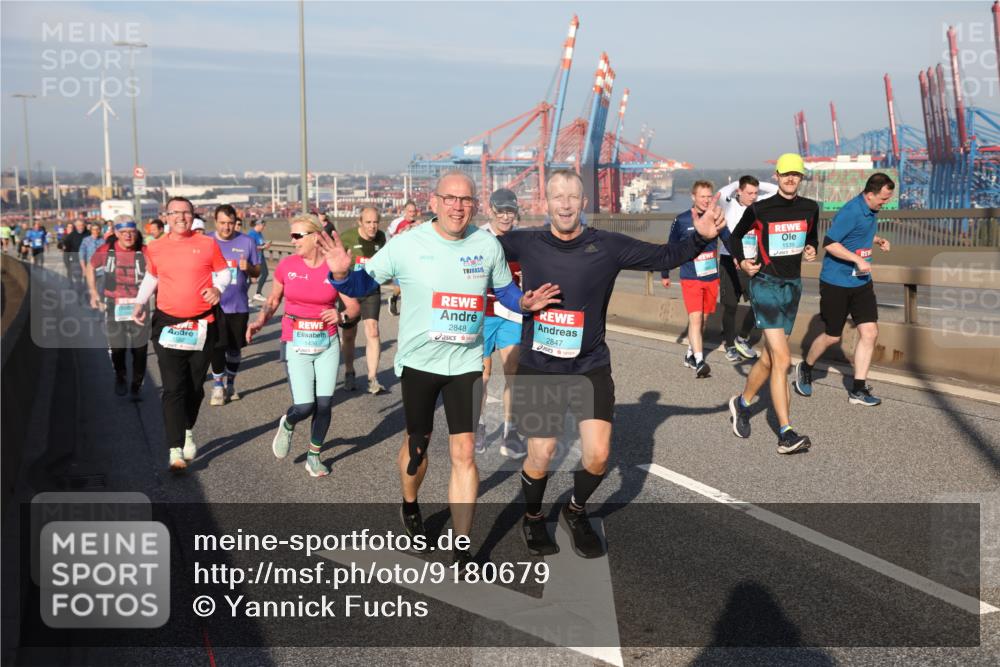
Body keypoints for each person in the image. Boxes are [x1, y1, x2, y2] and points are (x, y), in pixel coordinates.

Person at [323, 172, 558, 567]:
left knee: (464, 451)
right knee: (418, 448)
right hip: (419, 363)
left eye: (465, 199)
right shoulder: (407, 244)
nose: (457, 206)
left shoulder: (486, 245)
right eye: (450, 198)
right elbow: (365, 286)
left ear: (474, 205)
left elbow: (505, 292)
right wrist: (343, 274)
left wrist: (525, 302)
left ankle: (463, 546)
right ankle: (410, 503)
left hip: (466, 363)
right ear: (434, 202)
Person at [498, 169, 725, 559]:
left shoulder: (607, 245)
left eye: (573, 196)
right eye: (558, 197)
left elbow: (664, 256)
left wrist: (701, 235)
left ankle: (575, 510)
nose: (566, 203)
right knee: (542, 454)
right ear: (546, 203)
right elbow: (468, 250)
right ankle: (533, 516)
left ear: (584, 202)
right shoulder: (526, 243)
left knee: (599, 456)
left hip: (589, 365)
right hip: (540, 365)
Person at [247, 214, 360, 477]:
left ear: (314, 237)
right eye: (291, 235)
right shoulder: (287, 266)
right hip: (296, 341)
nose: (292, 240)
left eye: (297, 236)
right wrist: (259, 322)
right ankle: (288, 422)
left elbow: (353, 307)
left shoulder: (333, 268)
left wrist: (341, 316)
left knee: (324, 404)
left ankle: (314, 456)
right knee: (305, 407)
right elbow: (273, 300)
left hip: (327, 342)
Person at [727, 153, 819, 454]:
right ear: (777, 176)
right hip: (765, 285)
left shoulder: (810, 208)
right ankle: (786, 433)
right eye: (786, 174)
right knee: (782, 360)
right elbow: (735, 235)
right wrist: (743, 263)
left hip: (792, 288)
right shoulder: (760, 209)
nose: (791, 179)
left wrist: (810, 249)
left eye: (796, 174)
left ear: (801, 178)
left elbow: (813, 238)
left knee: (768, 359)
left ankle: (741, 404)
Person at [131, 196, 231, 472]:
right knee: (173, 387)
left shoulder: (206, 244)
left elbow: (224, 274)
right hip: (168, 325)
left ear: (193, 216)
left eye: (185, 213)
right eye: (175, 213)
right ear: (166, 216)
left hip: (202, 324)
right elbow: (153, 277)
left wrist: (218, 289)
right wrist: (140, 302)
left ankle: (187, 429)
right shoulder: (155, 248)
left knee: (195, 387)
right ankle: (175, 449)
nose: (180, 217)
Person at [795, 173, 895, 406]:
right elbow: (830, 243)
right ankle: (806, 367)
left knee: (870, 333)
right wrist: (857, 260)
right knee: (832, 336)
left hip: (861, 283)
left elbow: (857, 234)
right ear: (870, 195)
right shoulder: (851, 210)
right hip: (836, 283)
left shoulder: (871, 210)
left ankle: (858, 390)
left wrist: (877, 240)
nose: (885, 203)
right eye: (883, 199)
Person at [475, 188, 526, 458]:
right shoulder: (479, 239)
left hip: (511, 315)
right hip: (483, 314)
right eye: (501, 211)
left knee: (514, 374)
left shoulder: (522, 239)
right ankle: (479, 425)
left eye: (511, 211)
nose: (506, 217)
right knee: (482, 376)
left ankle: (510, 431)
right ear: (491, 211)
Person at [661, 180, 723, 378]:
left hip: (711, 277)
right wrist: (665, 272)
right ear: (693, 197)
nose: (705, 200)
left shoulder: (716, 217)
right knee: (695, 318)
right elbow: (670, 248)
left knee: (703, 320)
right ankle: (699, 361)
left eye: (708, 196)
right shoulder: (682, 220)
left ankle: (689, 354)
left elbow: (730, 238)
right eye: (702, 196)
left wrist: (742, 258)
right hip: (690, 277)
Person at [717, 175, 779, 361]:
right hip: (730, 260)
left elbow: (776, 191)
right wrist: (737, 182)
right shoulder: (728, 205)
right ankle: (729, 345)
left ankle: (741, 338)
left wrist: (762, 182)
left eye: (756, 192)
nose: (753, 196)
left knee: (759, 302)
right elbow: (722, 191)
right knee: (730, 306)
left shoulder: (757, 205)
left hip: (751, 262)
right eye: (749, 193)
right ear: (739, 192)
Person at [87, 218, 150, 399]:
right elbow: (91, 267)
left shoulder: (145, 251)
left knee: (139, 350)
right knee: (117, 348)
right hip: (114, 305)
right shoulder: (107, 251)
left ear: (136, 233)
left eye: (132, 232)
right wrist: (93, 293)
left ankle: (136, 386)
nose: (128, 236)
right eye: (124, 233)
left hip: (139, 305)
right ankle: (120, 375)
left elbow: (157, 274)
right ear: (116, 233)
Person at [208, 204, 261, 404]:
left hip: (238, 305)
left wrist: (248, 269)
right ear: (215, 222)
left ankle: (231, 383)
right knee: (216, 347)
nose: (227, 228)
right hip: (214, 305)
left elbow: (257, 272)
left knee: (234, 348)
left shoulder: (246, 241)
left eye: (230, 223)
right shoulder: (206, 241)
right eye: (222, 223)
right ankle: (218, 386)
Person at [337, 206, 387, 394]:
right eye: (368, 222)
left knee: (373, 331)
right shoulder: (347, 238)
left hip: (371, 290)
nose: (372, 226)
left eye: (375, 222)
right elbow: (336, 264)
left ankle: (372, 378)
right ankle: (349, 371)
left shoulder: (381, 238)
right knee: (349, 335)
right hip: (350, 291)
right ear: (360, 222)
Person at [247, 219, 271, 302]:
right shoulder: (251, 234)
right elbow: (251, 247)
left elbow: (260, 244)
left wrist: (265, 245)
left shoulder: (259, 233)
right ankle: (244, 295)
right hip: (254, 258)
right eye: (263, 225)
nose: (264, 227)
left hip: (261, 257)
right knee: (252, 278)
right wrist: (262, 247)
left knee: (265, 274)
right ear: (258, 225)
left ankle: (258, 293)